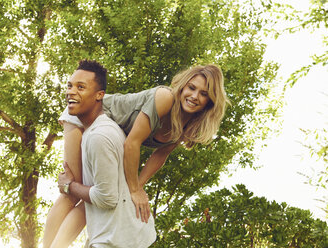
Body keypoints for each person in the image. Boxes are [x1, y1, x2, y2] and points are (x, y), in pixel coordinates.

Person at [43, 60, 229, 247]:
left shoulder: (188, 125)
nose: (194, 96)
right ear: (183, 86)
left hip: (105, 136)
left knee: (93, 197)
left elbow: (160, 155)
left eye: (203, 94)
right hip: (83, 115)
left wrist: (137, 186)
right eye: (191, 87)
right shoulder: (165, 98)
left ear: (210, 101)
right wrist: (134, 189)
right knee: (73, 191)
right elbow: (132, 143)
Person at [46, 59, 156, 248]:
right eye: (70, 86)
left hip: (119, 242)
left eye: (81, 87)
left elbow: (107, 198)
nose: (71, 91)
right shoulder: (94, 131)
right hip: (124, 237)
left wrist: (69, 186)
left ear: (100, 95)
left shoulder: (99, 136)